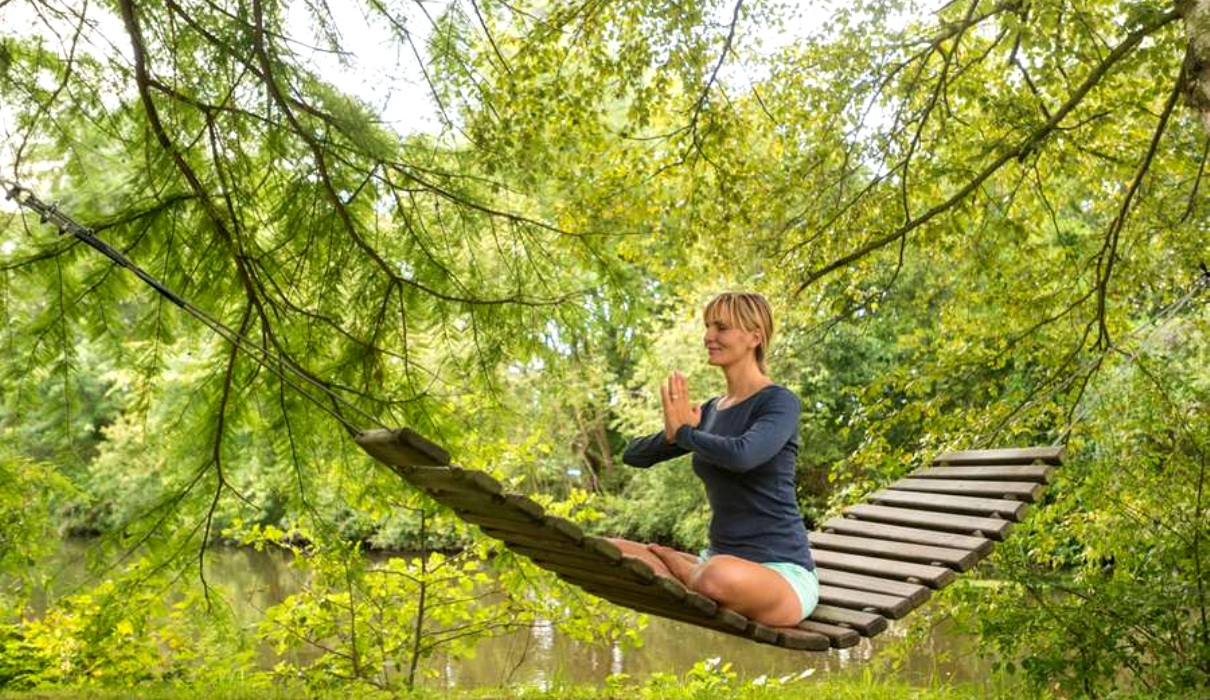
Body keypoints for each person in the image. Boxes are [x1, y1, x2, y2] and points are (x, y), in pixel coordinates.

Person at [609, 291, 818, 628]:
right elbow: (634, 456)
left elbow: (743, 455)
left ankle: (679, 565)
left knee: (717, 577)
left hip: (779, 575)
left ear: (755, 336)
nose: (708, 337)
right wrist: (672, 433)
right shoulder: (709, 412)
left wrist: (687, 436)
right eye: (708, 326)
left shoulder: (779, 403)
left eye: (720, 327)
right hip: (716, 562)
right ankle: (690, 568)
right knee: (609, 551)